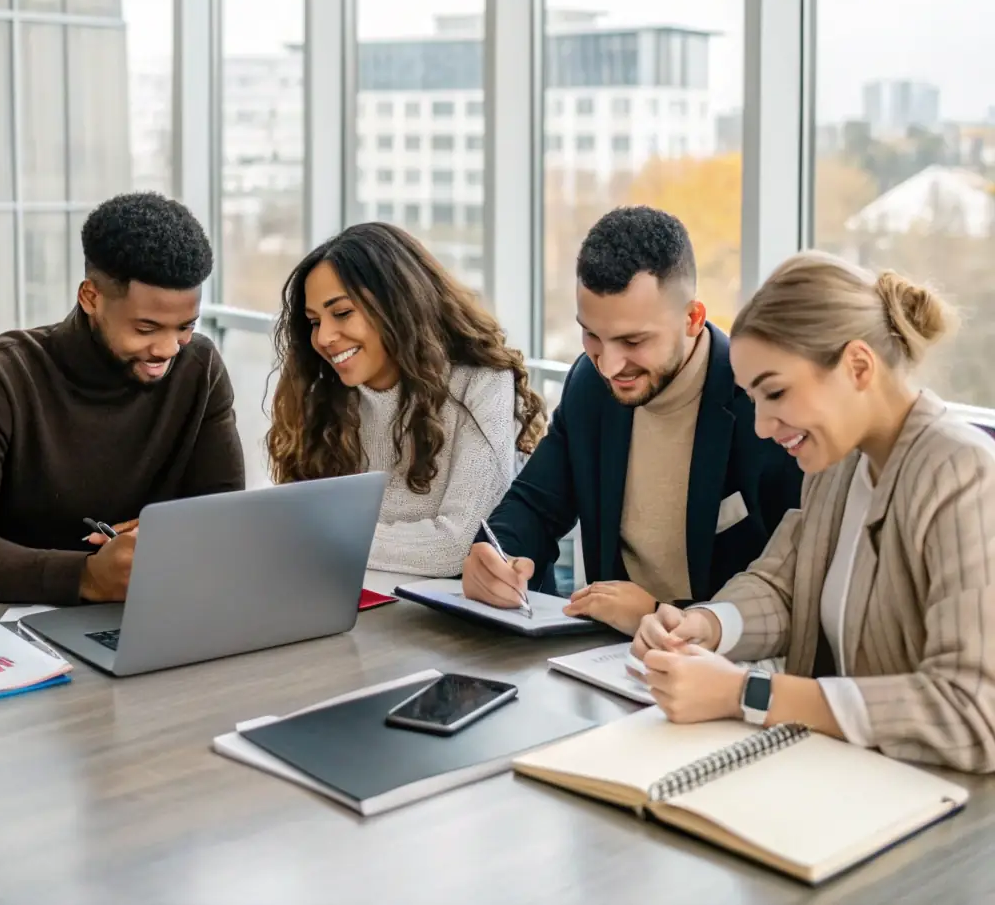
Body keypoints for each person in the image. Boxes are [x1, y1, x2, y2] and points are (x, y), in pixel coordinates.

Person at [630, 252, 995, 773]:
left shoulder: (962, 473)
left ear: (858, 367)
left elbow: (972, 709)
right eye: (753, 399)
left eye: (776, 392)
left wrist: (746, 694)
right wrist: (706, 625)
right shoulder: (837, 461)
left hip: (937, 799)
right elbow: (784, 587)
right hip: (847, 775)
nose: (761, 427)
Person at [462, 207, 803, 634]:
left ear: (693, 319)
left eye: (633, 341)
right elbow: (536, 504)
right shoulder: (589, 384)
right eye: (592, 335)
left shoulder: (763, 406)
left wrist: (660, 613)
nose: (608, 365)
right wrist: (495, 555)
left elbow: (789, 592)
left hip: (719, 658)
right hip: (602, 653)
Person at [0, 193, 245, 606]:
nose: (168, 349)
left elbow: (224, 516)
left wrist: (168, 534)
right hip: (10, 623)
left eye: (185, 326)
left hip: (153, 611)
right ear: (91, 297)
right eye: (146, 328)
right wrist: (87, 577)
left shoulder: (199, 368)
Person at [266, 222, 545, 576]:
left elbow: (458, 545)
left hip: (446, 607)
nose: (323, 337)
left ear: (397, 304)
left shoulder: (482, 382)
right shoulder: (323, 395)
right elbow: (296, 526)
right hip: (356, 595)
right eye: (314, 321)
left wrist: (322, 539)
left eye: (342, 313)